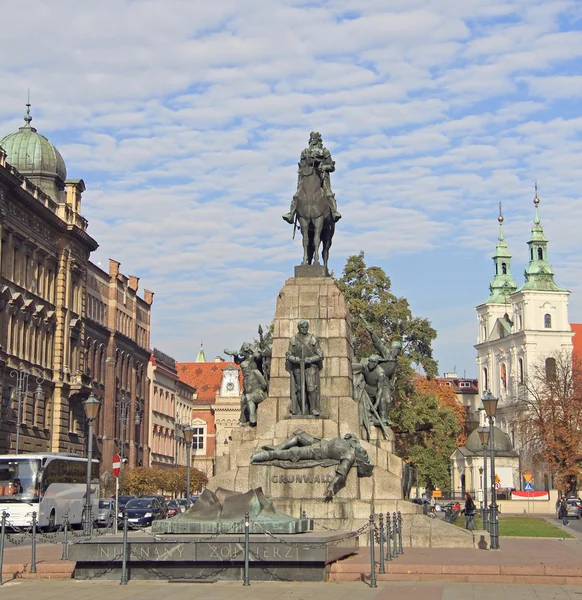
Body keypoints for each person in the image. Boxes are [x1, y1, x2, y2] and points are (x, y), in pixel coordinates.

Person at [282, 131, 341, 224]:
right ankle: (291, 213)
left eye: (315, 140)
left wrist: (324, 167)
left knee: (328, 193)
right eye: (312, 140)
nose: (313, 142)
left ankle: (334, 212)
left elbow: (332, 166)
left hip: (322, 177)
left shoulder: (325, 151)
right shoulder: (305, 152)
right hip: (307, 177)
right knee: (297, 195)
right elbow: (301, 167)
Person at [286, 320, 324, 416]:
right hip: (298, 367)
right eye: (302, 327)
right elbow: (288, 354)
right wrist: (295, 359)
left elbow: (320, 355)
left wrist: (311, 359)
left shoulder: (313, 338)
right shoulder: (293, 339)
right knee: (299, 389)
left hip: (310, 366)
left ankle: (313, 408)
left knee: (311, 388)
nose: (304, 329)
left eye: (306, 327)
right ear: (299, 328)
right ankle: (302, 409)